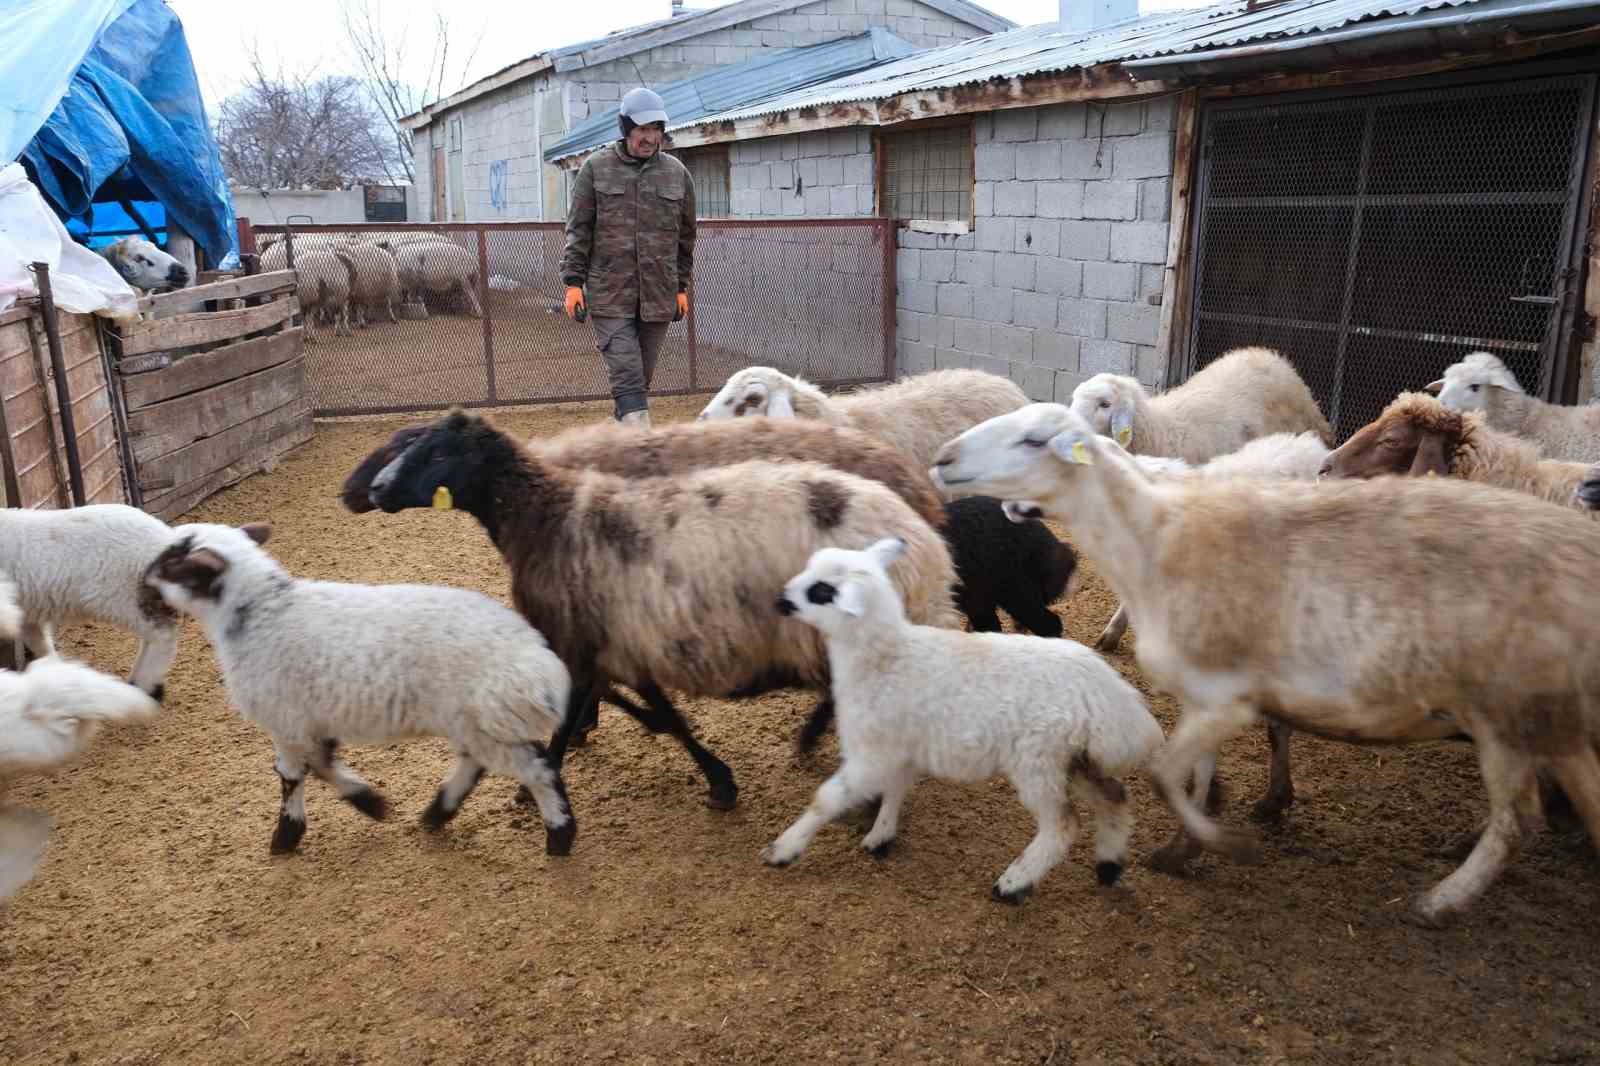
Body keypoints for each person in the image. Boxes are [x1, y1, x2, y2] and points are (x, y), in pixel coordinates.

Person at [559, 86, 697, 428]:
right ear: (626, 129)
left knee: (640, 380)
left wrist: (680, 287)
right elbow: (579, 229)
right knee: (627, 375)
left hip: (658, 294)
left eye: (656, 130)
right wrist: (573, 283)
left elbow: (685, 237)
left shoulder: (677, 174)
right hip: (610, 294)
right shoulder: (596, 168)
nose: (650, 138)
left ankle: (621, 443)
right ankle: (642, 447)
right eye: (642, 130)